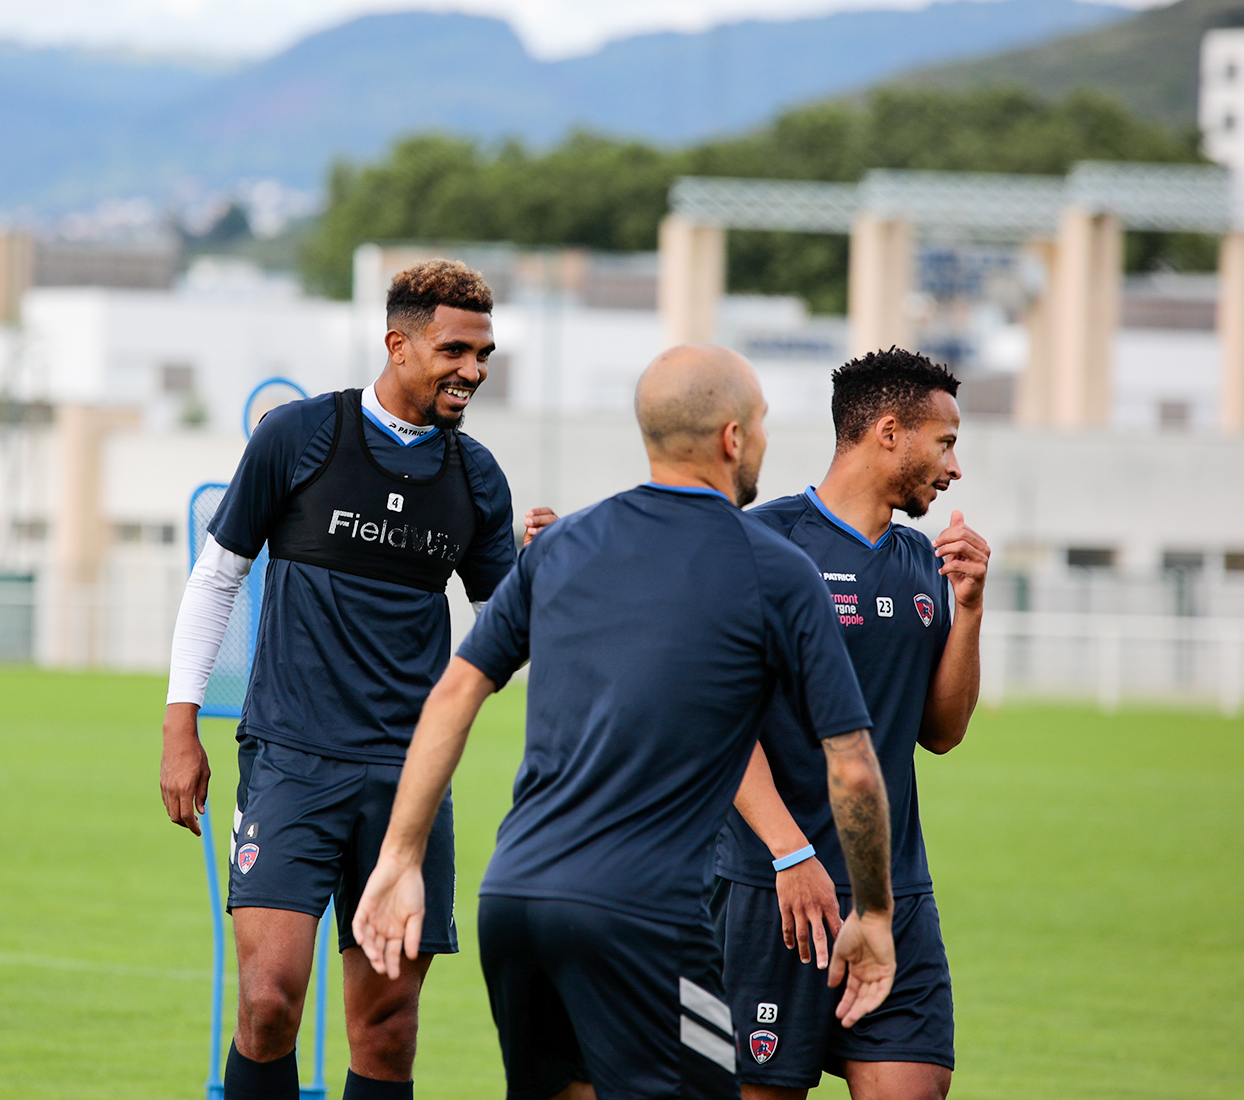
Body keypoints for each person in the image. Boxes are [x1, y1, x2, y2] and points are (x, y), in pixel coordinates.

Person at [353, 344, 899, 1100]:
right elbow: (853, 764)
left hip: (516, 903)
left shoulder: (564, 546)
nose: (766, 441)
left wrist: (399, 859)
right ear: (732, 438)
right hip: (649, 920)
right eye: (764, 423)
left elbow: (453, 694)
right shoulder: (774, 569)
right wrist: (872, 911)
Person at [159, 259, 552, 1100]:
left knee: (388, 1031)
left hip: (408, 780)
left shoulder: (476, 476)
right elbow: (217, 577)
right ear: (397, 344)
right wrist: (178, 725)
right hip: (291, 759)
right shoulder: (298, 436)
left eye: (484, 354)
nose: (473, 371)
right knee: (268, 1001)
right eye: (455, 350)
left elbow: (502, 636)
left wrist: (540, 573)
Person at [711, 347, 990, 1100]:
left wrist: (968, 612)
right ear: (890, 433)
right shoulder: (760, 543)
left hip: (894, 896)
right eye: (947, 441)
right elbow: (718, 727)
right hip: (769, 890)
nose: (955, 467)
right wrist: (786, 852)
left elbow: (941, 731)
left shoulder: (922, 563)